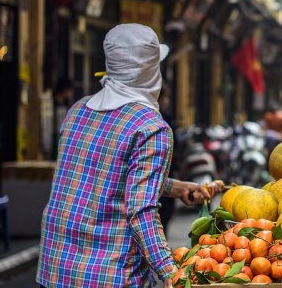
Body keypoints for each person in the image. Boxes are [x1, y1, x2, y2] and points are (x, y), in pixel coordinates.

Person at [37, 24, 216, 288]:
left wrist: (174, 188)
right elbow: (140, 210)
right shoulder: (151, 127)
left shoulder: (77, 111)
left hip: (55, 270)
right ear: (152, 71)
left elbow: (104, 175)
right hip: (109, 276)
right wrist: (170, 272)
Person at [157, 83, 176, 235]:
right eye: (166, 97)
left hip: (166, 177)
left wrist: (179, 188)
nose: (168, 101)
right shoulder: (157, 125)